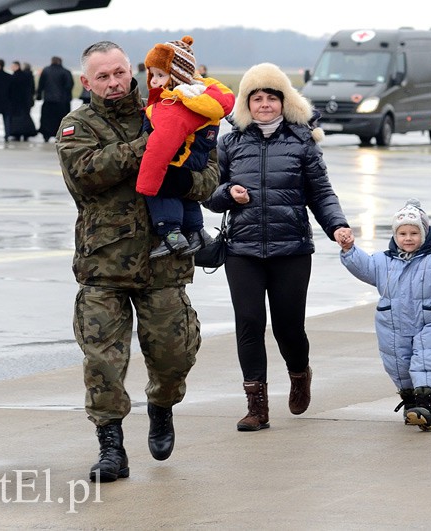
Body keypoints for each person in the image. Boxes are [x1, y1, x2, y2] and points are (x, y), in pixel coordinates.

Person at [55, 40, 219, 482]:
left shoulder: (169, 107)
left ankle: (162, 405)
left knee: (174, 356)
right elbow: (87, 174)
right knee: (102, 364)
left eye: (119, 73)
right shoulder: (77, 125)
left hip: (163, 263)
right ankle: (111, 446)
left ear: (133, 71)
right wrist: (152, 145)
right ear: (86, 81)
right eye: (102, 77)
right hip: (103, 267)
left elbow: (208, 177)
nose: (113, 83)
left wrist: (178, 170)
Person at [203, 62, 353, 432]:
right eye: (257, 98)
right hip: (243, 250)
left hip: (292, 250)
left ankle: (299, 373)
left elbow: (321, 193)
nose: (265, 104)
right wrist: (226, 193)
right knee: (250, 324)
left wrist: (337, 225)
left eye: (272, 97)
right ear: (246, 103)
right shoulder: (230, 143)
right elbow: (207, 191)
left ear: (284, 102)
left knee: (288, 327)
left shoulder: (302, 141)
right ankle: (257, 407)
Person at [340, 199, 431, 431]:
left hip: (430, 320)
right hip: (392, 324)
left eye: (414, 233)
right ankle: (410, 401)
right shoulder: (382, 261)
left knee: (428, 360)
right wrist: (349, 250)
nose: (408, 238)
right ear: (395, 235)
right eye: (403, 233)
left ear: (425, 234)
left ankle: (426, 403)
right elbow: (363, 267)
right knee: (398, 363)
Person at [138, 36, 235, 259]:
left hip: (179, 156)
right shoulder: (198, 95)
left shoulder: (174, 104)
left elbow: (161, 144)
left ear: (177, 76)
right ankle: (196, 231)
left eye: (160, 75)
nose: (153, 81)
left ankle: (171, 233)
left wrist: (147, 182)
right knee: (184, 193)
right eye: (152, 75)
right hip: (195, 156)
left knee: (162, 189)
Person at [36, 56, 74, 142]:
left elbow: (41, 84)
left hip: (48, 99)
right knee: (61, 120)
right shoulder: (66, 72)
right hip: (62, 101)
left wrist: (39, 95)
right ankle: (61, 135)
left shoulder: (46, 70)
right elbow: (69, 85)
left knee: (46, 119)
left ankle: (46, 134)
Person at [8, 60, 38, 141]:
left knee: (17, 119)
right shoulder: (26, 76)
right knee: (25, 118)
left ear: (17, 66)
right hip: (25, 101)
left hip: (18, 101)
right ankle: (26, 134)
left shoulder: (15, 76)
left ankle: (17, 134)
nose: (11, 68)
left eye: (13, 66)